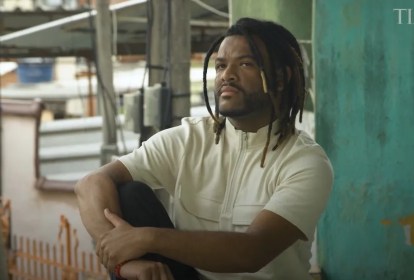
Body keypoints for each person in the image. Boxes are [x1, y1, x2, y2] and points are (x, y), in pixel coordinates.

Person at [75, 17, 333, 280]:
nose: (226, 76)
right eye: (221, 66)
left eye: (245, 64)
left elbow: (254, 251)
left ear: (280, 79)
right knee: (129, 194)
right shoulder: (189, 139)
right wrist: (123, 263)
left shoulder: (305, 162)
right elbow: (91, 183)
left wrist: (147, 238)